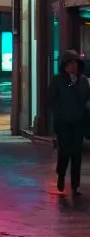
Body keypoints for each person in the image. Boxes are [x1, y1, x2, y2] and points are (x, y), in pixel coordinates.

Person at [48, 49, 90, 196]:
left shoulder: (83, 81)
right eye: (69, 64)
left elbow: (87, 99)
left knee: (77, 154)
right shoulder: (58, 80)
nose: (72, 67)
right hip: (63, 123)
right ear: (64, 65)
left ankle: (75, 184)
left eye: (75, 64)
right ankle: (61, 176)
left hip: (78, 122)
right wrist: (59, 114)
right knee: (65, 151)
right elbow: (52, 99)